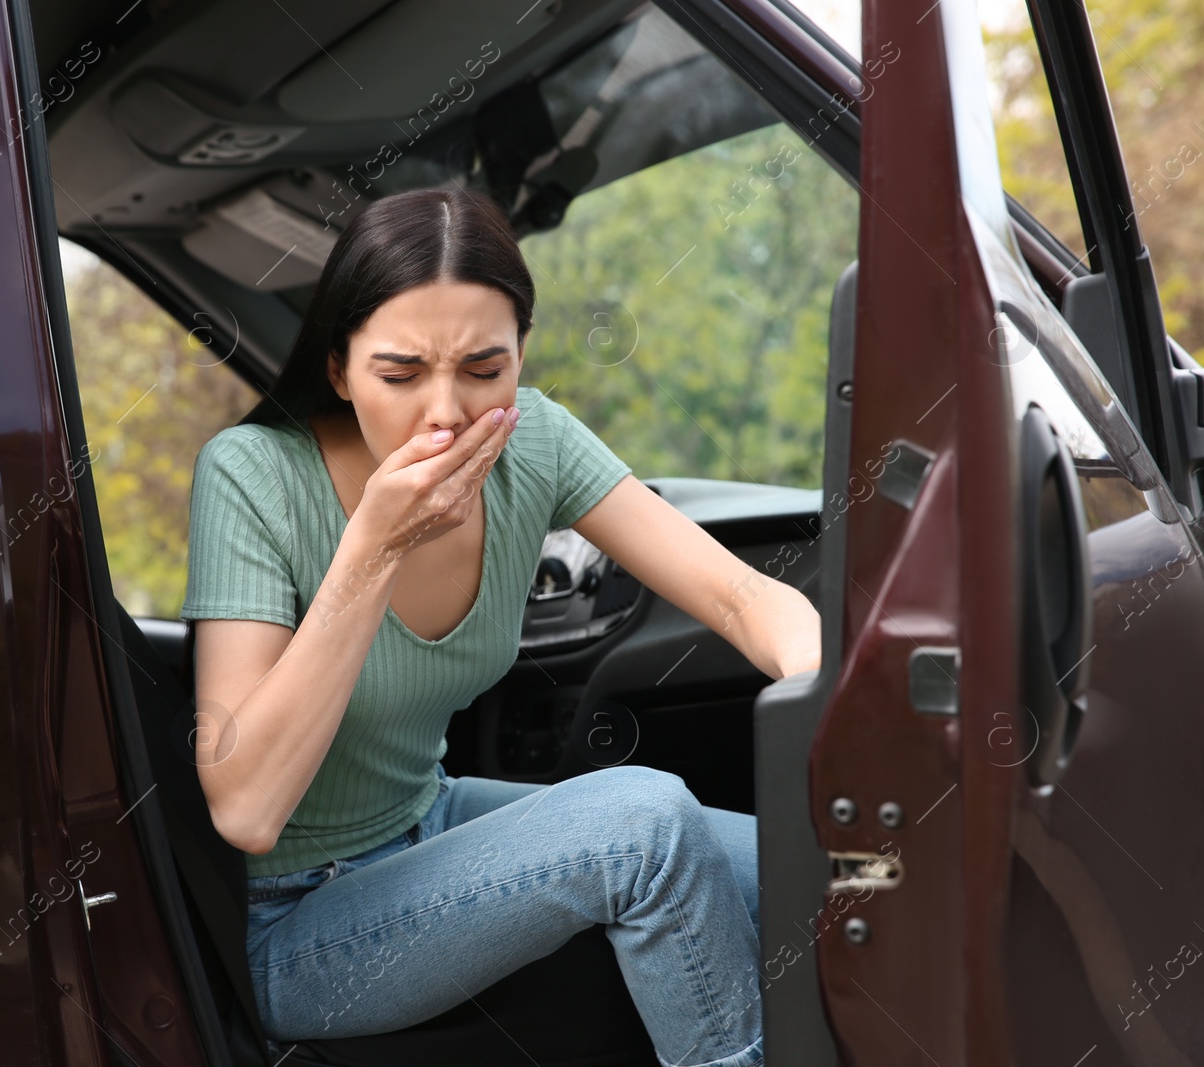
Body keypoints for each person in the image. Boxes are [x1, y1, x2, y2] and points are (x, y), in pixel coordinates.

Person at [179, 187, 821, 1067]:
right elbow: (246, 806)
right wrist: (371, 548)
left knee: (827, 866)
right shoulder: (251, 476)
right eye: (401, 375)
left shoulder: (535, 442)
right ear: (338, 367)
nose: (446, 412)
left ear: (521, 355)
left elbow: (746, 599)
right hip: (293, 919)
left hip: (428, 819)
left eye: (485, 369)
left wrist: (834, 698)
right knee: (644, 824)